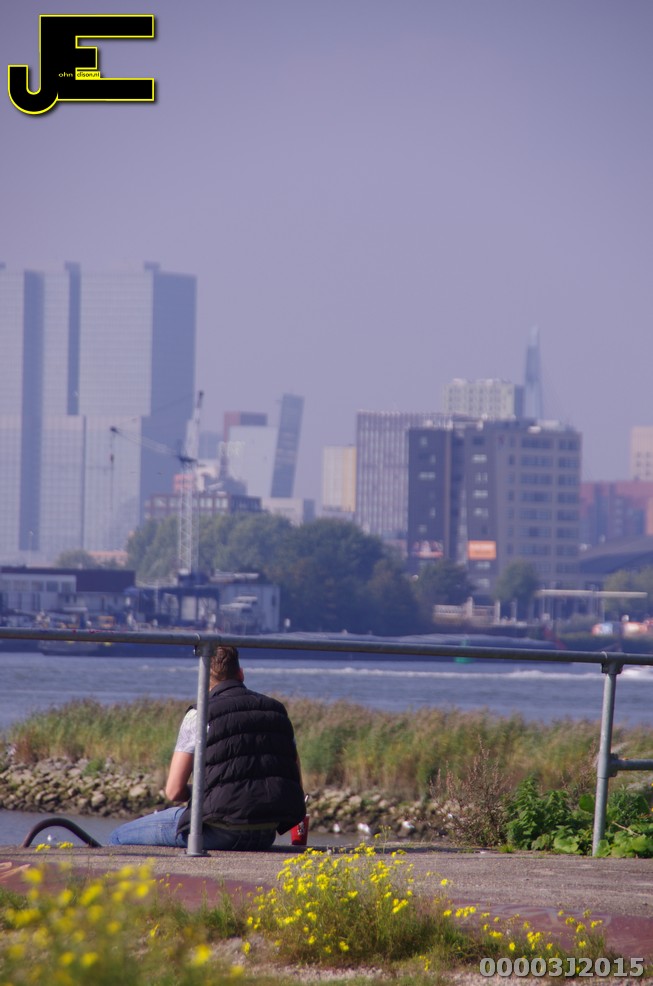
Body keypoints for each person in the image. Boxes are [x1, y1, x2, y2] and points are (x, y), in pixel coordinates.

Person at [108, 644, 306, 850]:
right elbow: (295, 781)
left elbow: (174, 791)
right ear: (241, 673)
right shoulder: (277, 711)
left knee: (118, 837)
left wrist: (210, 791)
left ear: (203, 680)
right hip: (266, 832)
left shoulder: (200, 714)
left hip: (219, 832)